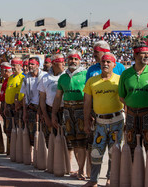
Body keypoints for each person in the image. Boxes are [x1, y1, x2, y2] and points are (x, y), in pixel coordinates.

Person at [83, 53, 124, 187]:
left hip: (117, 121)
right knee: (96, 151)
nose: (105, 64)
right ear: (99, 64)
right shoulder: (91, 81)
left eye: (108, 62)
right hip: (100, 122)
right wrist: (86, 121)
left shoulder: (120, 80)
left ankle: (110, 178)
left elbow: (126, 100)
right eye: (103, 62)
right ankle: (93, 180)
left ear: (114, 64)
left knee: (114, 151)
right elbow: (87, 103)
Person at [118, 43, 148, 157]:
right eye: (143, 53)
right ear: (135, 55)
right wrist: (133, 104)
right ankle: (133, 174)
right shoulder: (126, 74)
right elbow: (121, 96)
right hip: (131, 114)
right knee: (131, 146)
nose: (146, 56)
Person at [52, 50, 87, 180]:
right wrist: (54, 114)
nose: (73, 61)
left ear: (80, 60)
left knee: (82, 141)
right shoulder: (63, 77)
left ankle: (82, 170)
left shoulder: (85, 74)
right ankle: (79, 168)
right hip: (67, 110)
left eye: (75, 59)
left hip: (82, 110)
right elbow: (57, 97)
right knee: (73, 141)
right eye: (71, 59)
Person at [38, 54, 65, 145]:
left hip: (64, 111)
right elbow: (42, 98)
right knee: (50, 141)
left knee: (66, 142)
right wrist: (46, 116)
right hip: (49, 111)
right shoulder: (45, 78)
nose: (64, 64)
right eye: (61, 62)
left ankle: (66, 160)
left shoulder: (66, 77)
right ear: (54, 64)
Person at [21, 56, 46, 147]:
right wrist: (24, 112)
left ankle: (42, 155)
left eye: (32, 64)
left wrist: (41, 111)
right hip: (30, 108)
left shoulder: (44, 76)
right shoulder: (26, 78)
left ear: (38, 65)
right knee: (31, 133)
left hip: (42, 109)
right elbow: (24, 96)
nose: (30, 66)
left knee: (41, 134)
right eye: (29, 64)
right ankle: (31, 156)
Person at [4, 58, 25, 143]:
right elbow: (7, 92)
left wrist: (18, 104)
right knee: (9, 129)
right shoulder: (11, 77)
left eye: (14, 65)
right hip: (9, 106)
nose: (12, 67)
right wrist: (5, 106)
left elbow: (22, 93)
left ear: (20, 66)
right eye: (11, 65)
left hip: (17, 107)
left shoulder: (23, 77)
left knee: (18, 128)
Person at [0, 61, 13, 152]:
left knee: (10, 127)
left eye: (1, 71)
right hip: (4, 104)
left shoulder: (11, 79)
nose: (0, 72)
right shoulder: (5, 80)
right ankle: (8, 148)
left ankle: (11, 149)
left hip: (9, 105)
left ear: (6, 71)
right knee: (6, 127)